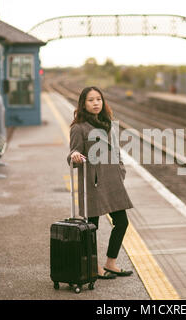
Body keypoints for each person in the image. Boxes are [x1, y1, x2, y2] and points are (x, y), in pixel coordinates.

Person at [67, 86, 134, 280]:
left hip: (113, 181)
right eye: (91, 100)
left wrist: (121, 169)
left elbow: (116, 151)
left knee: (121, 222)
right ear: (83, 104)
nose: (96, 103)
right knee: (91, 228)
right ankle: (94, 266)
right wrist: (75, 156)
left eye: (98, 99)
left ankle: (110, 263)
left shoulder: (109, 123)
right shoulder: (78, 128)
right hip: (93, 183)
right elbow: (72, 153)